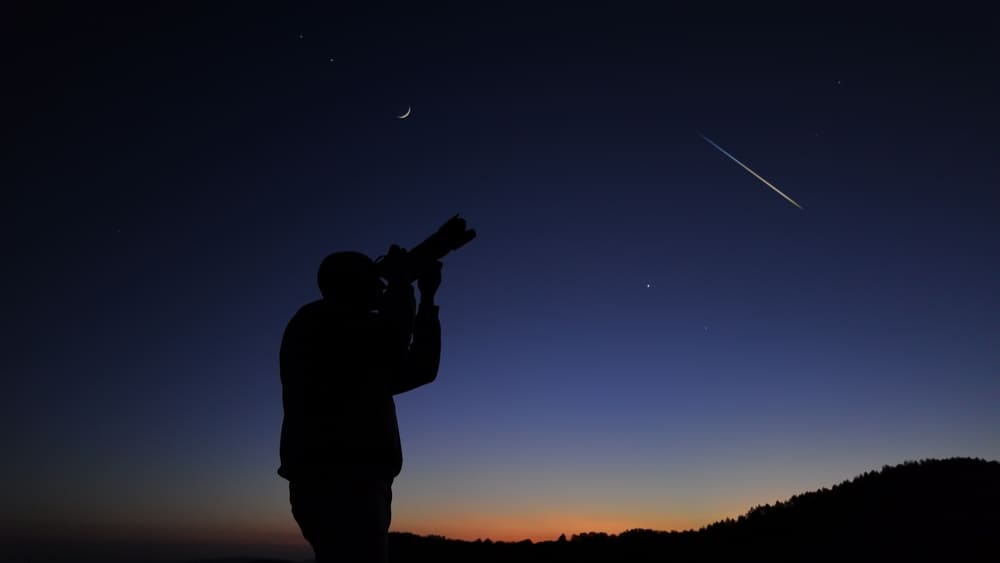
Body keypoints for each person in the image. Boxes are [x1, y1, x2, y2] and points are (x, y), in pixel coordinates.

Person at [278, 247, 442, 563]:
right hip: (340, 482)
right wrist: (400, 285)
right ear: (350, 285)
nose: (380, 289)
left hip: (359, 482)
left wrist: (427, 299)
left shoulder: (356, 342)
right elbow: (393, 343)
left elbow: (420, 369)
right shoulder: (318, 321)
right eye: (374, 282)